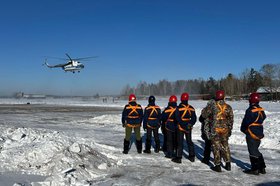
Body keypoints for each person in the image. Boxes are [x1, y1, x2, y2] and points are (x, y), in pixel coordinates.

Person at [205, 90, 234, 172]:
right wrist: (229, 129)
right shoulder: (228, 107)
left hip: (215, 130)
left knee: (216, 147)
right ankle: (228, 164)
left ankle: (217, 165)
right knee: (226, 146)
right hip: (225, 130)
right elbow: (231, 120)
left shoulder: (212, 106)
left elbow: (204, 115)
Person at [241, 93, 266, 175]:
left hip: (251, 132)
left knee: (252, 150)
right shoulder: (261, 109)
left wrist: (243, 129)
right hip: (259, 132)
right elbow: (264, 117)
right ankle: (262, 167)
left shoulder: (250, 110)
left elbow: (246, 121)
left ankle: (255, 169)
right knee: (256, 149)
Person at [172, 93, 197, 163]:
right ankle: (192, 156)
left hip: (181, 127)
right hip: (188, 127)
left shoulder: (178, 108)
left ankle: (178, 157)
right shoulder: (191, 108)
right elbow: (194, 118)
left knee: (180, 142)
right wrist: (190, 124)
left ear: (181, 99)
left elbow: (177, 118)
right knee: (189, 141)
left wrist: (183, 124)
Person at [199, 99, 215, 165]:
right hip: (216, 130)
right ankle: (218, 160)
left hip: (207, 129)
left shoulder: (206, 109)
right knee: (216, 146)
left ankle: (206, 159)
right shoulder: (219, 109)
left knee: (207, 145)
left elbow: (201, 119)